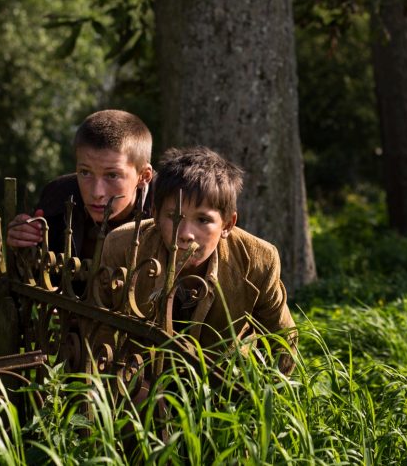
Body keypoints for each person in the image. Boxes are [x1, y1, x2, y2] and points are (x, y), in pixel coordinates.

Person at [98, 146, 296, 369]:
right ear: (154, 214)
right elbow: (100, 329)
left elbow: (283, 341)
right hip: (139, 379)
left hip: (223, 383)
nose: (185, 234)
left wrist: (251, 396)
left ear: (227, 224)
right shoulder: (122, 245)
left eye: (202, 220)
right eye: (174, 217)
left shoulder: (259, 260)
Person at [6, 109, 154, 260]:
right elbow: (36, 274)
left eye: (112, 175)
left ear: (143, 176)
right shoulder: (58, 197)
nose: (97, 193)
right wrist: (21, 242)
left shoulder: (168, 209)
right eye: (85, 172)